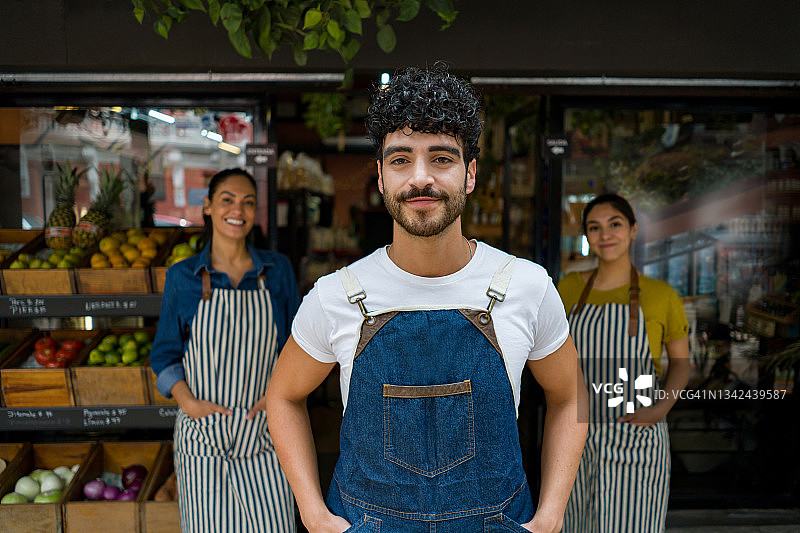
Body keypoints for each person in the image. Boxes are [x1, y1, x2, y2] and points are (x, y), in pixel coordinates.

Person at [266, 63, 588, 533]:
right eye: (401, 160)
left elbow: (570, 394)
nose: (421, 178)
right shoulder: (338, 295)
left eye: (441, 158)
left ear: (470, 174)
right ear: (381, 177)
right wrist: (313, 515)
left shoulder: (526, 286)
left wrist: (552, 514)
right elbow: (282, 396)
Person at [150, 168, 300, 533]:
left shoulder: (277, 271)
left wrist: (277, 398)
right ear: (208, 206)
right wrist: (188, 403)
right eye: (227, 200)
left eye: (248, 202)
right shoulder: (182, 276)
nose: (238, 210)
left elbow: (298, 348)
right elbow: (165, 355)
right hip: (203, 438)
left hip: (265, 432)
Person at [558, 193, 690, 533]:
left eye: (615, 224)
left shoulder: (661, 295)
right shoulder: (568, 289)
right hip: (576, 436)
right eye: (594, 227)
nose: (605, 235)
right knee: (576, 523)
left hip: (638, 436)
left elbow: (681, 364)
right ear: (587, 236)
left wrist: (659, 410)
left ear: (633, 229)